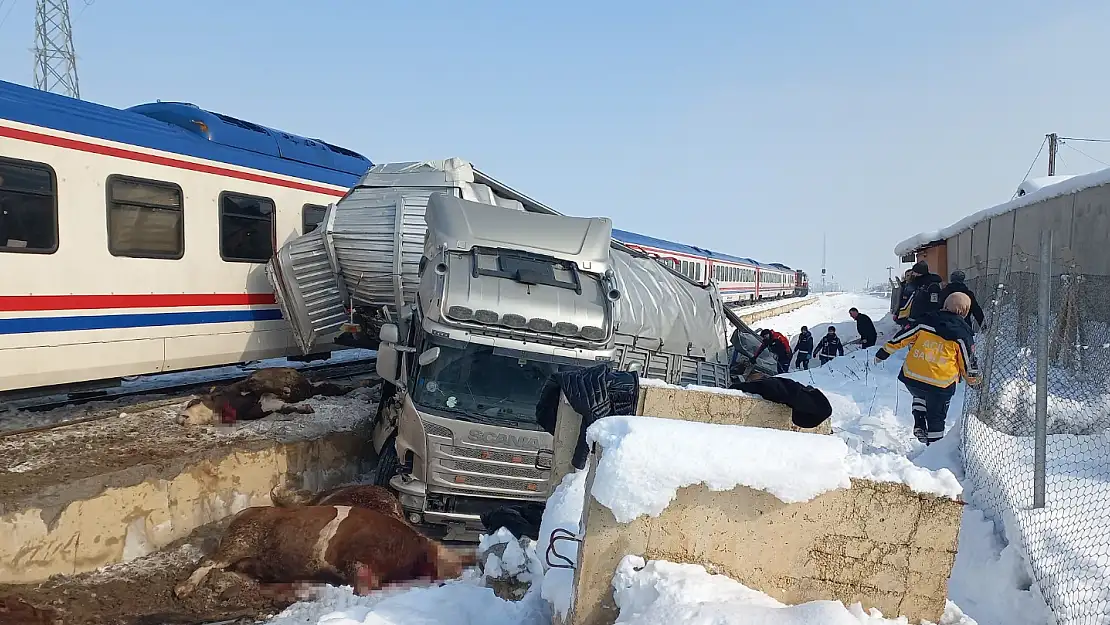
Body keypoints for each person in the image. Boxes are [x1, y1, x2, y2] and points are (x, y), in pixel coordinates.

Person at [874, 292, 982, 445]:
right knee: (936, 417)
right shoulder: (962, 334)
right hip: (940, 384)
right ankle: (934, 450)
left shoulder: (925, 321)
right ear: (964, 311)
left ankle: (919, 420)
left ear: (945, 304)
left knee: (921, 393)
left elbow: (902, 337)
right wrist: (974, 381)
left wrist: (883, 353)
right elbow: (967, 361)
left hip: (912, 377)